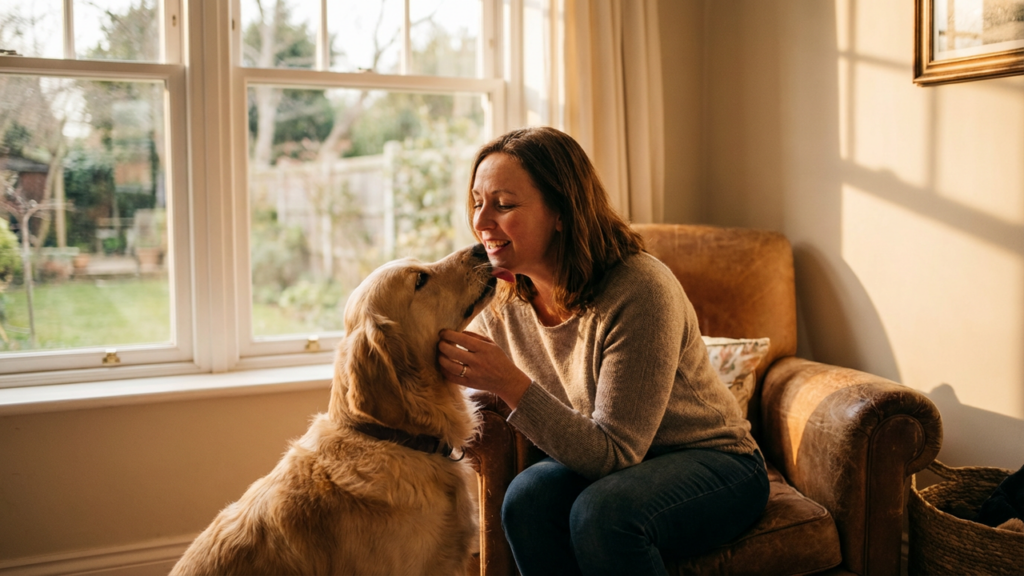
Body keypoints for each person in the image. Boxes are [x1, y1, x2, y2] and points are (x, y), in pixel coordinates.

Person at [437, 126, 769, 576]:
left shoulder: (640, 289)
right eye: (477, 202)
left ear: (561, 212)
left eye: (504, 205)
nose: (481, 221)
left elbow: (614, 453)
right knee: (527, 498)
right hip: (619, 460)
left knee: (602, 515)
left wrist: (508, 382)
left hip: (717, 463)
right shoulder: (503, 298)